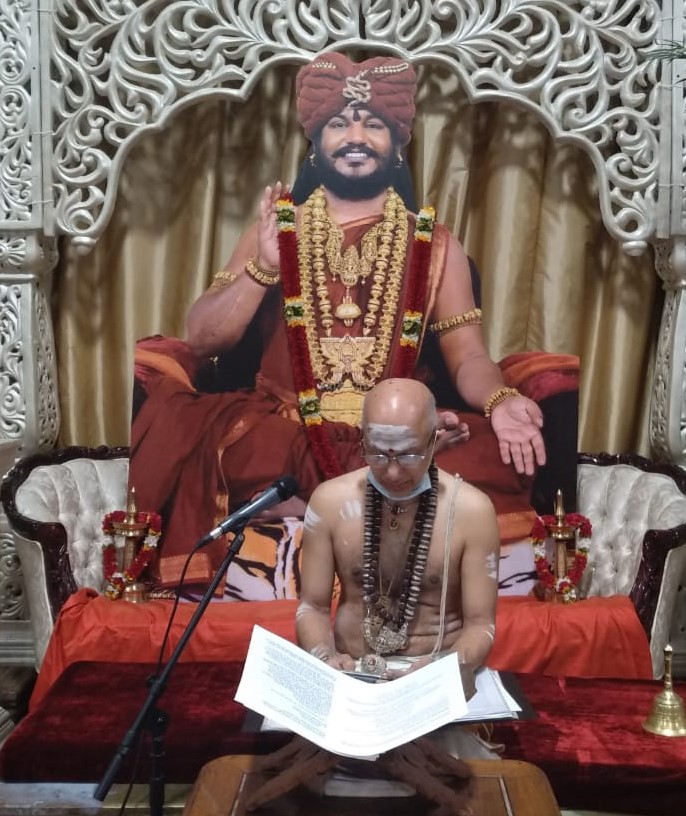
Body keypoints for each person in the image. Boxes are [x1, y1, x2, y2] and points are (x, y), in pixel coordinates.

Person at [131, 51, 562, 589]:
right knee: (229, 447)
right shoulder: (277, 228)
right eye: (338, 123)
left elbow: (469, 356)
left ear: (397, 142)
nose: (355, 136)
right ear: (315, 140)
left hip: (398, 436)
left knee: (495, 455)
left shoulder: (435, 244)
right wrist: (263, 269)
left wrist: (501, 402)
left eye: (373, 124)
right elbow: (202, 338)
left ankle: (314, 502)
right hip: (286, 428)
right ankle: (362, 503)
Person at [296, 377, 500, 681]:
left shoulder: (472, 510)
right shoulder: (329, 501)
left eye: (409, 455)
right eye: (378, 454)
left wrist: (444, 669)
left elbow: (480, 625)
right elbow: (313, 607)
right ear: (363, 441)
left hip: (437, 671)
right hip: (351, 671)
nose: (392, 472)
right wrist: (325, 658)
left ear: (433, 441)